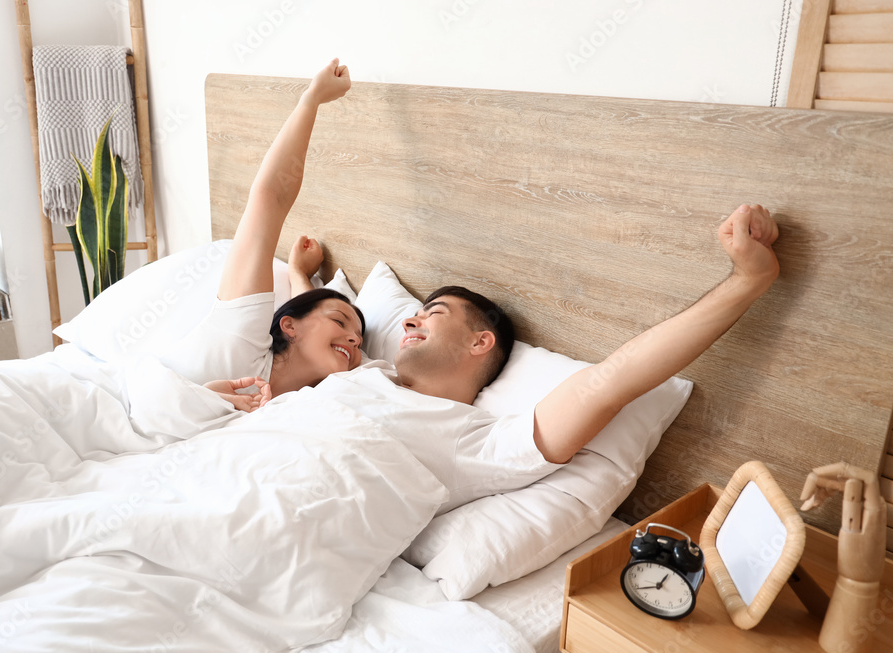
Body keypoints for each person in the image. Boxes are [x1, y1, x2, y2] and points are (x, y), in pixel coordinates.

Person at [204, 59, 780, 507]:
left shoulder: (473, 441)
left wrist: (745, 281)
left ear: (481, 343)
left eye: (432, 315)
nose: (405, 319)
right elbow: (320, 314)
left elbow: (609, 383)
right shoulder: (357, 376)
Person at [162, 59, 365, 412]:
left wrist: (300, 275)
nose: (354, 339)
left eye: (359, 340)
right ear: (287, 326)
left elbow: (309, 320)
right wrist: (312, 99)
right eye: (341, 322)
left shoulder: (308, 404)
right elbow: (269, 198)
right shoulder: (240, 338)